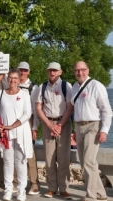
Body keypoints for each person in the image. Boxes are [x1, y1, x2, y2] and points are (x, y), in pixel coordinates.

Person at [71, 61, 112, 201]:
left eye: (82, 69)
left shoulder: (97, 86)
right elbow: (75, 109)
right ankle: (101, 194)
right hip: (79, 126)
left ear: (88, 70)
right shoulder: (74, 87)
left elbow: (107, 111)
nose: (80, 72)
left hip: (93, 125)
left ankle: (91, 196)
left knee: (89, 161)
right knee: (84, 162)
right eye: (77, 70)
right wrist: (74, 130)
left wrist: (104, 130)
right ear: (74, 72)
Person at [0, 69, 33, 201]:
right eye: (10, 78)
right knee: (8, 162)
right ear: (7, 79)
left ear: (19, 79)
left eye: (15, 78)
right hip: (4, 134)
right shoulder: (0, 94)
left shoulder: (25, 94)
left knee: (20, 161)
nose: (13, 80)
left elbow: (28, 113)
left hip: (21, 132)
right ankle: (8, 189)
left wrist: (12, 126)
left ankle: (21, 190)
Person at [36, 62, 73, 199]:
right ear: (47, 72)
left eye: (55, 70)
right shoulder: (42, 87)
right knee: (49, 157)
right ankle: (51, 188)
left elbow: (70, 108)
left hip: (63, 123)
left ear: (60, 72)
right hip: (48, 123)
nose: (52, 72)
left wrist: (59, 125)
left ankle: (64, 188)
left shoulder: (66, 86)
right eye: (50, 70)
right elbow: (39, 108)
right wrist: (50, 125)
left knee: (63, 158)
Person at [13, 61, 40, 195]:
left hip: (27, 121)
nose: (22, 73)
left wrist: (34, 127)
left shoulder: (33, 88)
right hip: (13, 121)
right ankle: (14, 182)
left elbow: (36, 109)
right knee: (13, 151)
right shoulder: (12, 84)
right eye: (20, 70)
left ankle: (34, 183)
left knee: (30, 154)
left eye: (25, 70)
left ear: (28, 72)